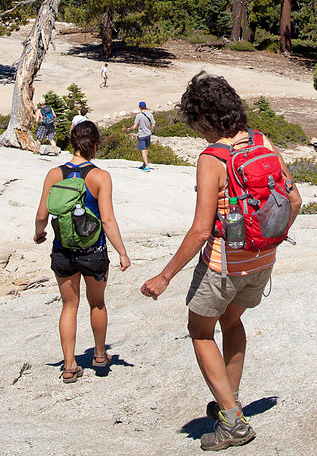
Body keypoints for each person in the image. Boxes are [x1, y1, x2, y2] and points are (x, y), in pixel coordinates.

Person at [141, 72, 302, 451]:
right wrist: (265, 241)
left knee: (200, 330)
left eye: (197, 122)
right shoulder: (263, 142)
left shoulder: (212, 158)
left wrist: (164, 277)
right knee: (232, 320)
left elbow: (200, 231)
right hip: (264, 259)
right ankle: (231, 401)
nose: (198, 131)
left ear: (205, 119)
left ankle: (232, 422)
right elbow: (294, 201)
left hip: (224, 263)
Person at [33, 118, 131, 382]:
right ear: (95, 145)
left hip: (62, 249)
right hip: (93, 251)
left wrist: (39, 233)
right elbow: (108, 220)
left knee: (69, 305)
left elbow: (42, 213)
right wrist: (122, 252)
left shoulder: (55, 174)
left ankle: (69, 365)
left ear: (72, 143)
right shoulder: (100, 177)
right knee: (97, 303)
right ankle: (100, 354)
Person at [133, 100, 156, 171]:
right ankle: (144, 163)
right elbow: (153, 124)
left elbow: (134, 126)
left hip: (141, 135)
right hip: (148, 134)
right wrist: (151, 130)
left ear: (140, 107)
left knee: (143, 150)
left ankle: (146, 166)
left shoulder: (138, 116)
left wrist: (129, 129)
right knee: (146, 149)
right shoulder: (150, 114)